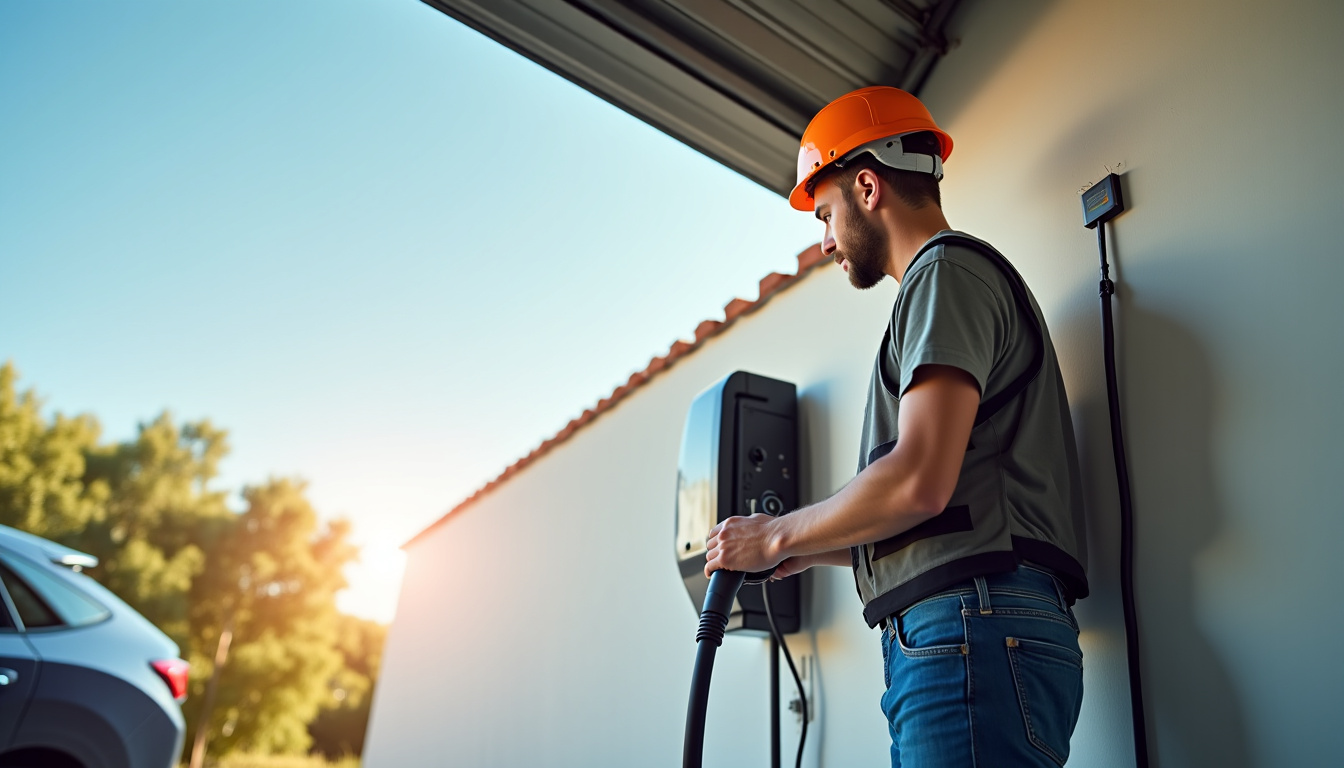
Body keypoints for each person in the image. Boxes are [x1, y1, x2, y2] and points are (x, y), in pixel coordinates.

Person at [703, 86, 1090, 767]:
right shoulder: (944, 285)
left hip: (969, 626)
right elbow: (953, 497)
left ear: (866, 185)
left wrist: (776, 530)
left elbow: (919, 479)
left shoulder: (943, 274)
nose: (825, 241)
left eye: (824, 213)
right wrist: (814, 547)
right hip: (977, 627)